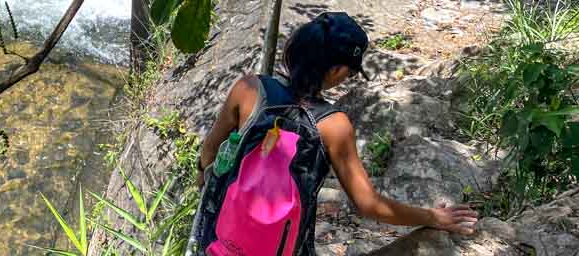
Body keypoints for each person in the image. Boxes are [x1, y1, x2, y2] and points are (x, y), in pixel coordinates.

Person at [193, 13, 476, 256]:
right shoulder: (333, 125)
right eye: (351, 73)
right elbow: (369, 204)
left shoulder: (248, 89)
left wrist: (209, 181)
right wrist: (432, 217)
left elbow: (208, 154)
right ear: (338, 69)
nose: (347, 78)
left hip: (220, 239)